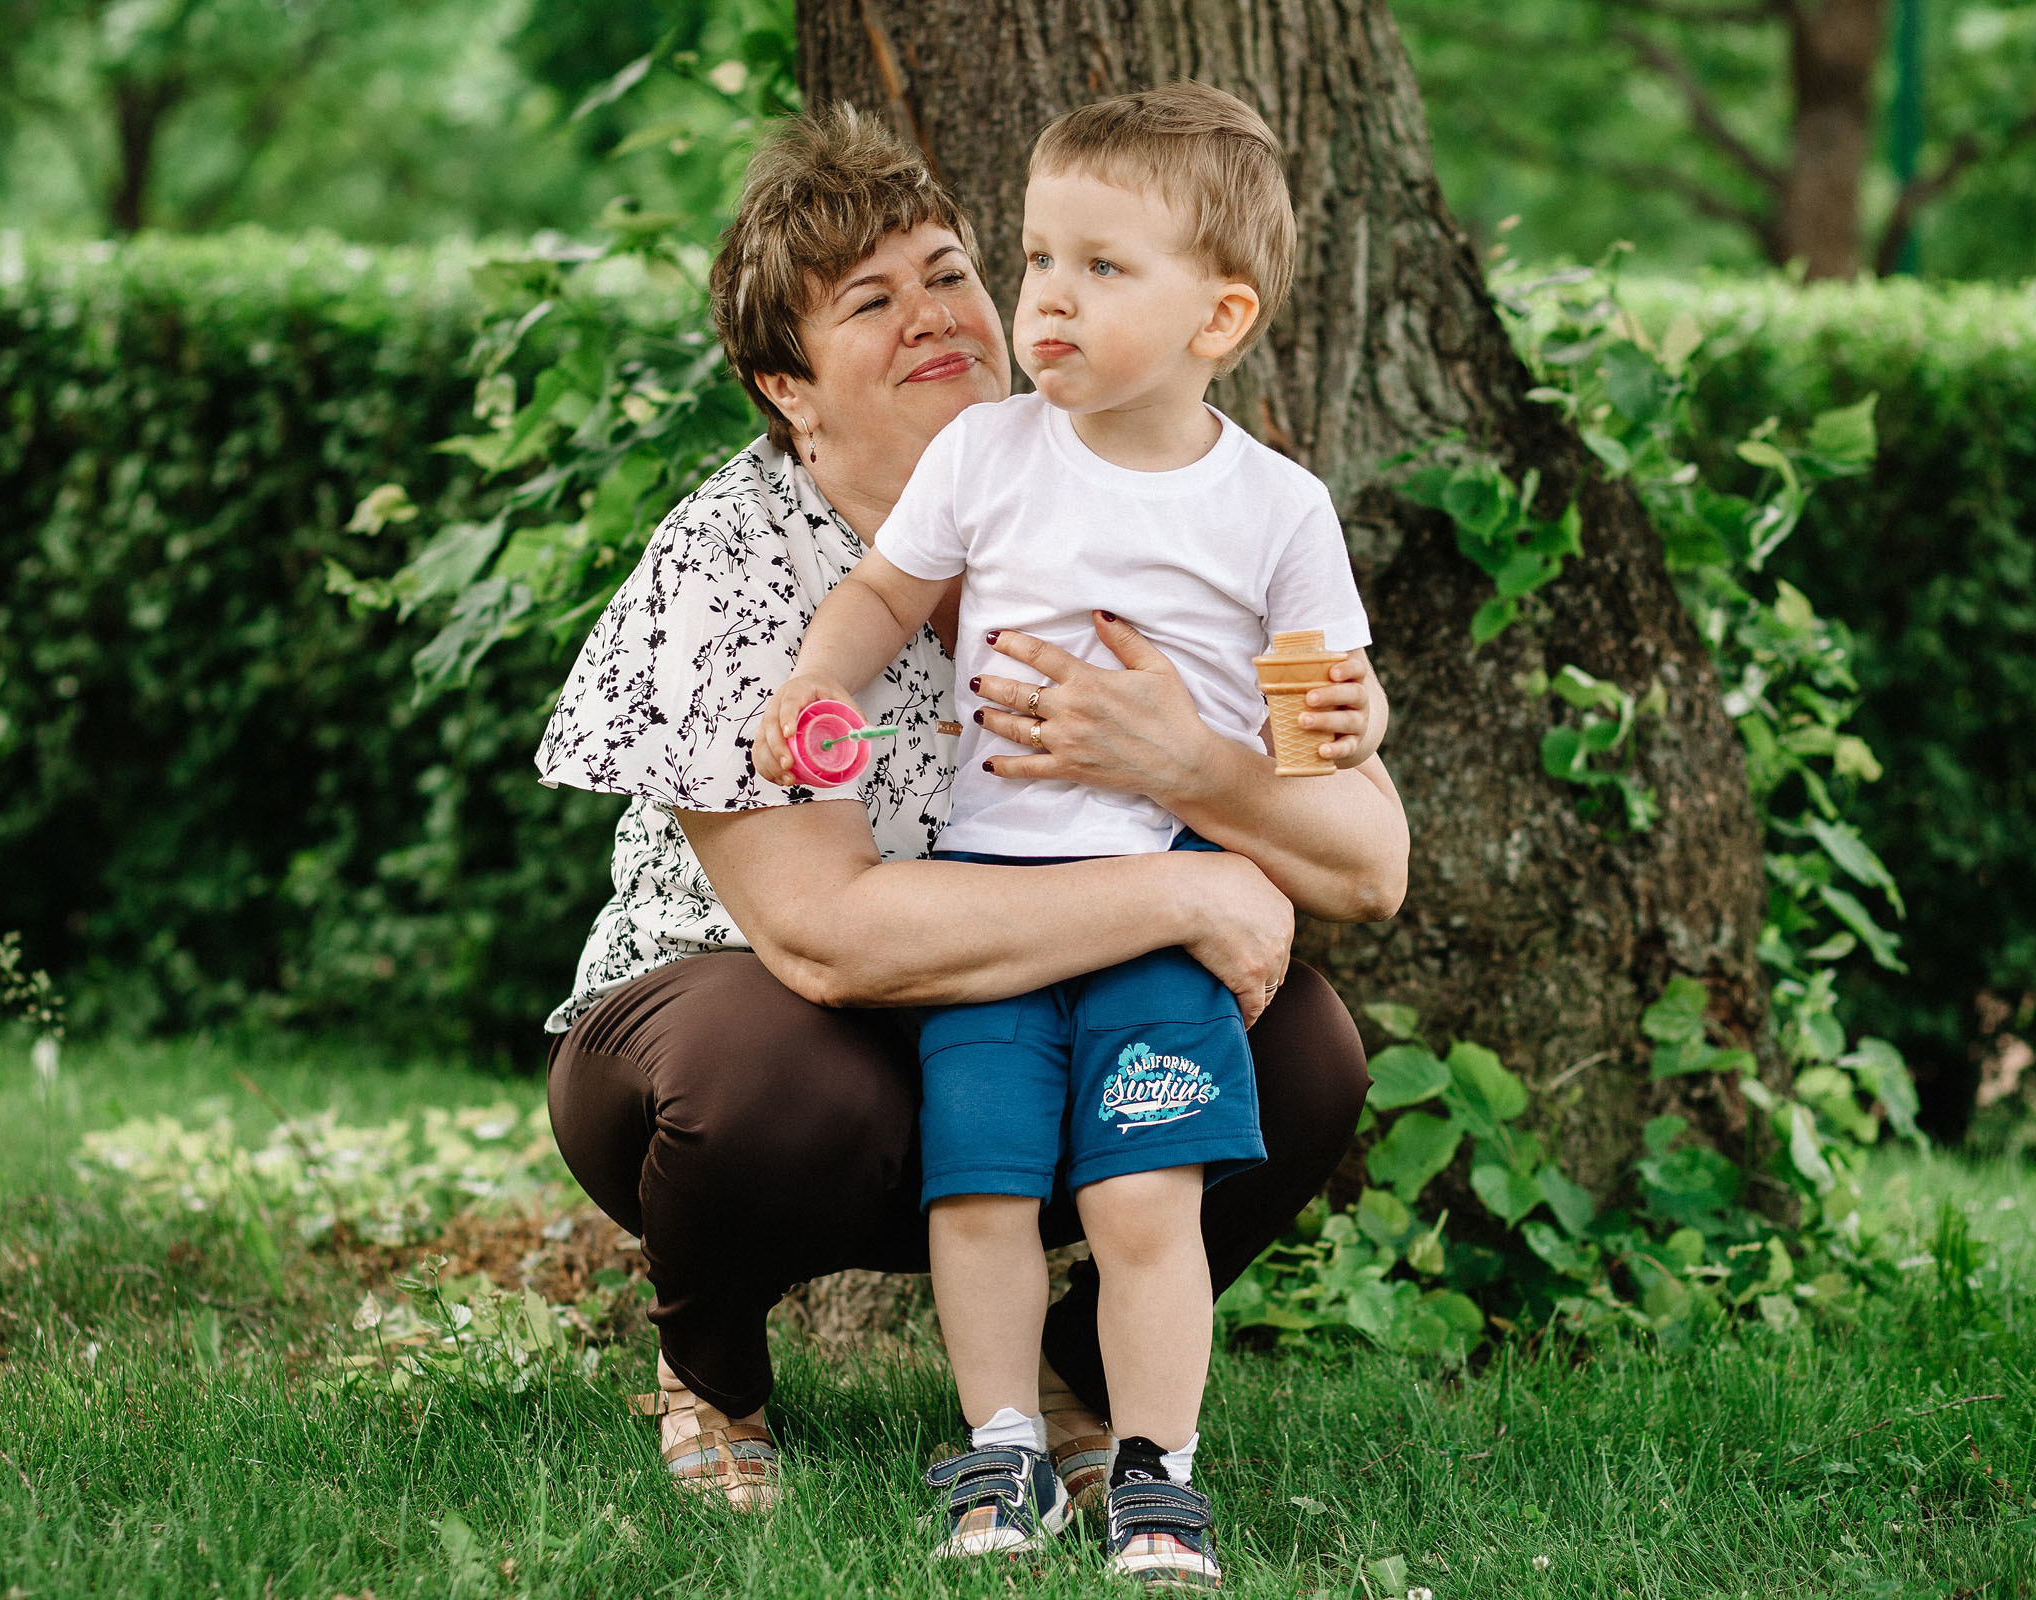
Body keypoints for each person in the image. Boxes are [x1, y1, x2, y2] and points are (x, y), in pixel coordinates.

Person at [533, 104, 1406, 1531]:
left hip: (1051, 1013)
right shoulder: (732, 560)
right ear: (788, 388)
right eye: (869, 302)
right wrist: (1188, 890)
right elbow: (821, 937)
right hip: (764, 1040)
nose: (936, 314)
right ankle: (712, 1373)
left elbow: (1370, 863)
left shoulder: (1198, 497)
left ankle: (1081, 1386)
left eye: (948, 272)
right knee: (771, 1076)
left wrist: (1194, 763)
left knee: (1303, 1050)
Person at [755, 84, 1360, 1586]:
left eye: (1100, 267)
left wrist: (1351, 720)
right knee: (982, 1190)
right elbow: (884, 594)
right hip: (994, 895)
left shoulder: (1278, 510)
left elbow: (1321, 732)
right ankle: (1005, 1449)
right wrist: (817, 685)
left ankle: (1158, 1476)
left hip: (1165, 902)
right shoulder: (987, 455)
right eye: (1034, 258)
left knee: (1143, 1197)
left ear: (1221, 316)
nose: (1046, 297)